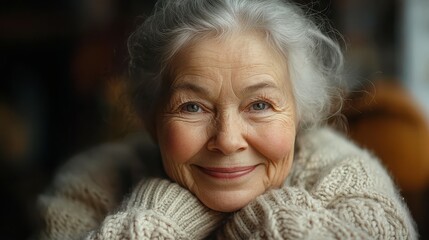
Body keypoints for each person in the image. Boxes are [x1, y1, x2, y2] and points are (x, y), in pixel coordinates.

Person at [37, 0, 417, 239]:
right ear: (150, 116)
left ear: (299, 114)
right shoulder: (87, 183)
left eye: (260, 105)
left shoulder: (349, 176)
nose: (228, 140)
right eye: (192, 107)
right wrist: (165, 213)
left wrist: (264, 213)